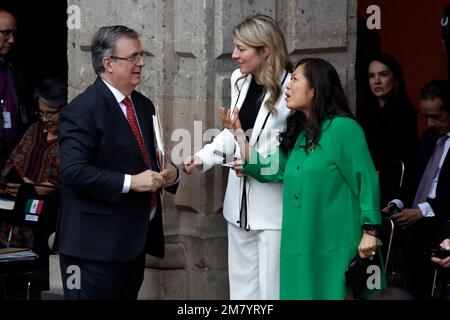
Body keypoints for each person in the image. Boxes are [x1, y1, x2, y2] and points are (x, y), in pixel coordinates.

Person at [222, 57, 384, 300]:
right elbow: (273, 168)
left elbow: (367, 180)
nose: (288, 86)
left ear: (315, 88)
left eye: (295, 79)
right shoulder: (300, 134)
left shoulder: (344, 129)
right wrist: (238, 133)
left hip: (336, 246)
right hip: (299, 246)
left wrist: (370, 231)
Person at [54, 25, 179, 300]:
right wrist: (132, 182)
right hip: (90, 250)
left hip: (130, 246)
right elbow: (73, 172)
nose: (141, 62)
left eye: (141, 55)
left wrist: (169, 174)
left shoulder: (143, 105)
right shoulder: (82, 109)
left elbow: (145, 159)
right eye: (133, 57)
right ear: (108, 63)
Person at [183, 15, 292, 299]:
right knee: (242, 292)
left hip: (273, 208)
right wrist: (203, 157)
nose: (234, 55)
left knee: (272, 291)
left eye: (241, 49)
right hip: (238, 205)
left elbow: (292, 150)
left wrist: (256, 163)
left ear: (264, 49)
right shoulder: (239, 80)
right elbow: (232, 131)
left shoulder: (292, 88)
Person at [0, 77, 66, 300]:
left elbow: (61, 181)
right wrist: (15, 182)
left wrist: (32, 188)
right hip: (15, 213)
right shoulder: (34, 130)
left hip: (45, 220)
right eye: (42, 113)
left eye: (51, 113)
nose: (45, 119)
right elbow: (14, 162)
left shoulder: (72, 139)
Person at [383, 79, 450, 298]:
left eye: (437, 117)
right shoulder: (429, 138)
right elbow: (413, 180)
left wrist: (421, 211)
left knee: (415, 236)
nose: (430, 123)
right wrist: (397, 203)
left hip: (441, 217)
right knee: (379, 224)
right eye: (426, 116)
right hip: (414, 211)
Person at [358, 54, 419, 204]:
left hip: (392, 191)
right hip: (363, 187)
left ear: (395, 78)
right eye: (371, 76)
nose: (376, 81)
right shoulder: (365, 112)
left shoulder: (405, 113)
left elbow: (407, 158)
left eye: (383, 75)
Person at [0, 9, 34, 169]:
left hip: (15, 157)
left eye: (13, 33)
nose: (12, 40)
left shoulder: (14, 66)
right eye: (6, 33)